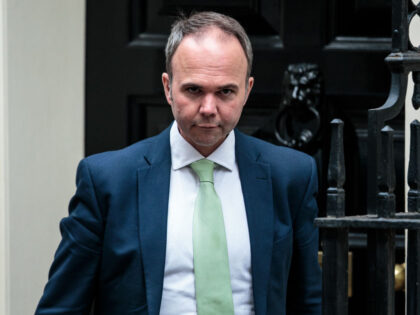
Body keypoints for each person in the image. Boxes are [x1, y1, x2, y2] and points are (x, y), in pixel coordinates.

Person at [36, 11, 321, 315]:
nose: (209, 108)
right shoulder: (107, 181)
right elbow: (62, 306)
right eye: (194, 90)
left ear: (247, 90)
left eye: (225, 91)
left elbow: (309, 303)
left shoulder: (290, 176)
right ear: (168, 87)